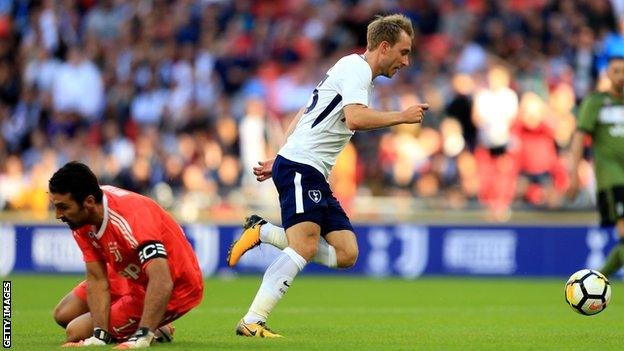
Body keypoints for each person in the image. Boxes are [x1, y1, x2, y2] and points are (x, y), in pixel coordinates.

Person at [227, 14, 428, 338]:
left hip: (309, 170)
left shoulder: (351, 70)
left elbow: (306, 112)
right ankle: (253, 320)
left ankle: (263, 233)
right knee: (304, 246)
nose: (406, 61)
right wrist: (401, 117)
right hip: (302, 167)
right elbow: (355, 119)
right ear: (385, 46)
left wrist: (279, 156)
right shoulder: (357, 70)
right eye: (403, 52)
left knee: (347, 253)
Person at [48, 161, 203, 348]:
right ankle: (157, 326)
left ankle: (151, 325)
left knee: (75, 331)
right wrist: (100, 335)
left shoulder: (132, 217)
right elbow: (97, 278)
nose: (58, 215)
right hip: (130, 271)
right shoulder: (83, 218)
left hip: (175, 285)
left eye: (63, 207)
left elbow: (162, 280)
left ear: (89, 202)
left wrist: (142, 336)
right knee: (63, 313)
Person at [568, 55, 624, 277]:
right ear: (608, 75)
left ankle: (596, 281)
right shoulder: (596, 102)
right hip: (613, 178)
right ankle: (596, 281)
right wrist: (573, 175)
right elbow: (579, 138)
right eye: (616, 71)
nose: (621, 76)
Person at [53, 265, 175, 343]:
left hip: (131, 271)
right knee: (62, 314)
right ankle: (120, 319)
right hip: (111, 268)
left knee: (75, 332)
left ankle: (155, 327)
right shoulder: (83, 229)